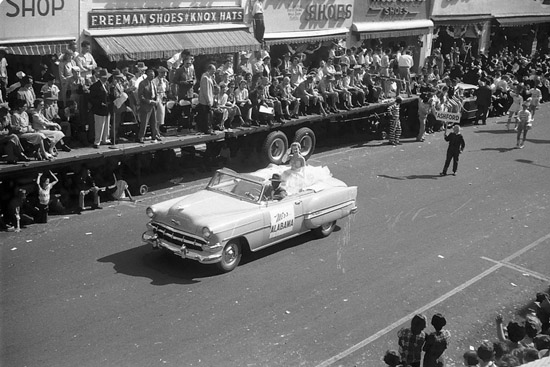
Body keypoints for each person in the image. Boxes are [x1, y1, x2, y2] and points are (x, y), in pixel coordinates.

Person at [89, 69, 111, 148]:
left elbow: (109, 95)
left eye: (106, 77)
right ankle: (97, 142)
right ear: (100, 77)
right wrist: (100, 103)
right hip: (99, 109)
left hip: (107, 108)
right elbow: (91, 98)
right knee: (99, 126)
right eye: (104, 77)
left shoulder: (107, 84)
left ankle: (105, 139)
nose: (106, 79)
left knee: (106, 125)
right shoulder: (95, 86)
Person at [137, 68, 160, 143]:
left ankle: (155, 136)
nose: (152, 77)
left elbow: (155, 93)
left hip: (153, 105)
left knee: (154, 122)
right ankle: (141, 137)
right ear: (147, 75)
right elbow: (140, 96)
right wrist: (149, 101)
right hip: (146, 105)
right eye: (151, 75)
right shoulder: (142, 83)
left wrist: (156, 100)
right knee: (144, 123)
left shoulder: (153, 83)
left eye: (153, 75)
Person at [197, 64, 216, 134]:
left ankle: (208, 128)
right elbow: (206, 91)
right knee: (206, 116)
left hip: (209, 99)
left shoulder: (210, 77)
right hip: (205, 100)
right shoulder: (205, 77)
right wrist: (208, 101)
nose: (214, 72)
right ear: (209, 70)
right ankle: (207, 129)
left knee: (208, 115)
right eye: (213, 71)